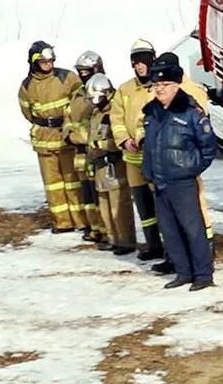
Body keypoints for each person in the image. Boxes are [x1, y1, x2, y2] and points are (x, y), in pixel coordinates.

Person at [142, 56, 218, 291]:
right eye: (156, 86)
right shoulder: (152, 112)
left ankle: (203, 275)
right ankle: (183, 272)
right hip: (159, 180)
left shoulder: (190, 111)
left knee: (192, 229)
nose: (159, 90)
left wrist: (190, 168)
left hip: (182, 182)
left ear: (176, 86)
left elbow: (208, 146)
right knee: (170, 231)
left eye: (164, 86)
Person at [18, 40, 86, 234]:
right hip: (44, 140)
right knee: (53, 184)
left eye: (51, 60)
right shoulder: (27, 86)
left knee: (72, 180)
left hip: (65, 136)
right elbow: (27, 111)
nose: (49, 64)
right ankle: (62, 222)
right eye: (45, 61)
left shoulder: (67, 77)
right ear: (34, 62)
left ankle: (81, 221)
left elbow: (80, 100)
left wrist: (70, 123)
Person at [113, 39, 167, 264]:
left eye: (144, 62)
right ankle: (153, 245)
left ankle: (169, 247)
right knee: (143, 204)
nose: (140, 67)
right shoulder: (125, 90)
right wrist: (124, 140)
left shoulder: (160, 85)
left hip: (155, 158)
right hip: (133, 159)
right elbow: (116, 118)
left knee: (161, 202)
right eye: (136, 63)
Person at [84, 72, 138, 255]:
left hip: (114, 166)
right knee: (105, 207)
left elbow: (119, 140)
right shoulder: (96, 114)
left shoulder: (113, 113)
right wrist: (90, 160)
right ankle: (113, 239)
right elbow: (92, 139)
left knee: (119, 207)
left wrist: (102, 145)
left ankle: (125, 241)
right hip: (100, 166)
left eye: (97, 97)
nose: (94, 101)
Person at [65, 51, 108, 246]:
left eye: (86, 71)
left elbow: (98, 125)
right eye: (80, 71)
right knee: (87, 194)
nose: (83, 75)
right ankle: (94, 228)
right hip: (80, 154)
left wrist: (80, 136)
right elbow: (68, 118)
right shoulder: (77, 96)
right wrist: (69, 135)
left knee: (101, 195)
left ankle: (106, 231)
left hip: (96, 153)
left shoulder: (102, 92)